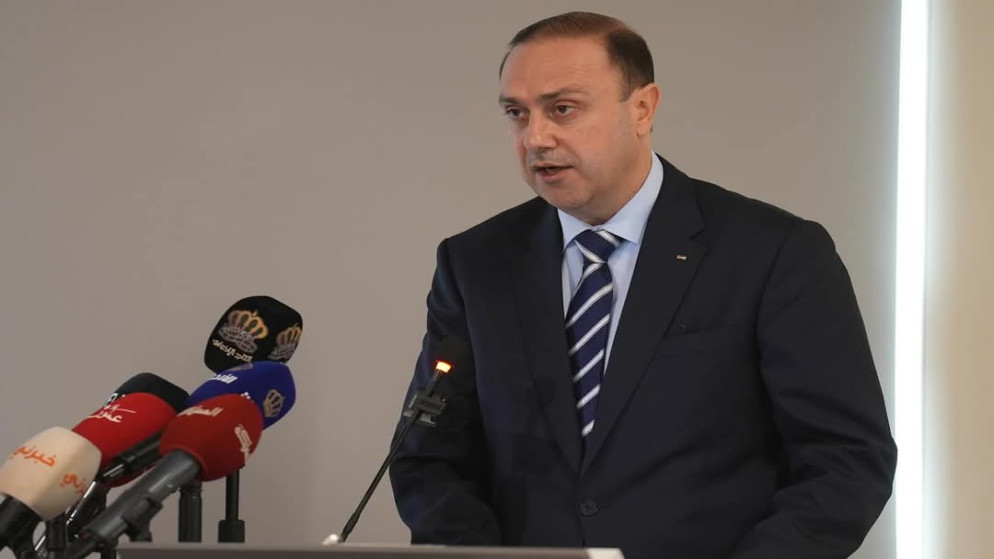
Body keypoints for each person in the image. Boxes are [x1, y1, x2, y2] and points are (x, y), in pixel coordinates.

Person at [389, 11, 896, 559]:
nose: (535, 137)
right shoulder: (476, 263)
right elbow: (430, 456)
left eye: (563, 109)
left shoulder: (774, 253)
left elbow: (845, 460)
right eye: (517, 113)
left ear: (643, 108)